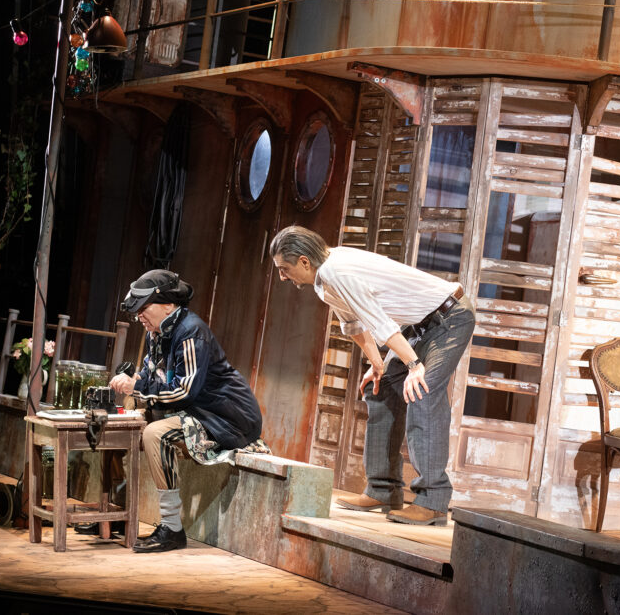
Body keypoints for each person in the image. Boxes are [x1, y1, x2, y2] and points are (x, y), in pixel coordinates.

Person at [270, 226, 475, 526]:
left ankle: (433, 502)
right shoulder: (324, 278)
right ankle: (383, 490)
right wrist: (377, 364)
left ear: (303, 261)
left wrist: (414, 365)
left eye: (284, 269)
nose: (282, 277)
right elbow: (354, 323)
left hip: (449, 317)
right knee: (380, 388)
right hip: (419, 324)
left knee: (421, 390)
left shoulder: (337, 271)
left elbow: (380, 322)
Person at [108, 269, 266, 552]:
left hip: (225, 417)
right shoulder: (157, 332)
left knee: (156, 434)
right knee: (116, 425)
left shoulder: (191, 332)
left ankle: (171, 529)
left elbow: (184, 390)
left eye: (144, 308)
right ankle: (116, 514)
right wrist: (134, 381)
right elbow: (152, 376)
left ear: (169, 305)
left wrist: (137, 388)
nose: (139, 316)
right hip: (190, 411)